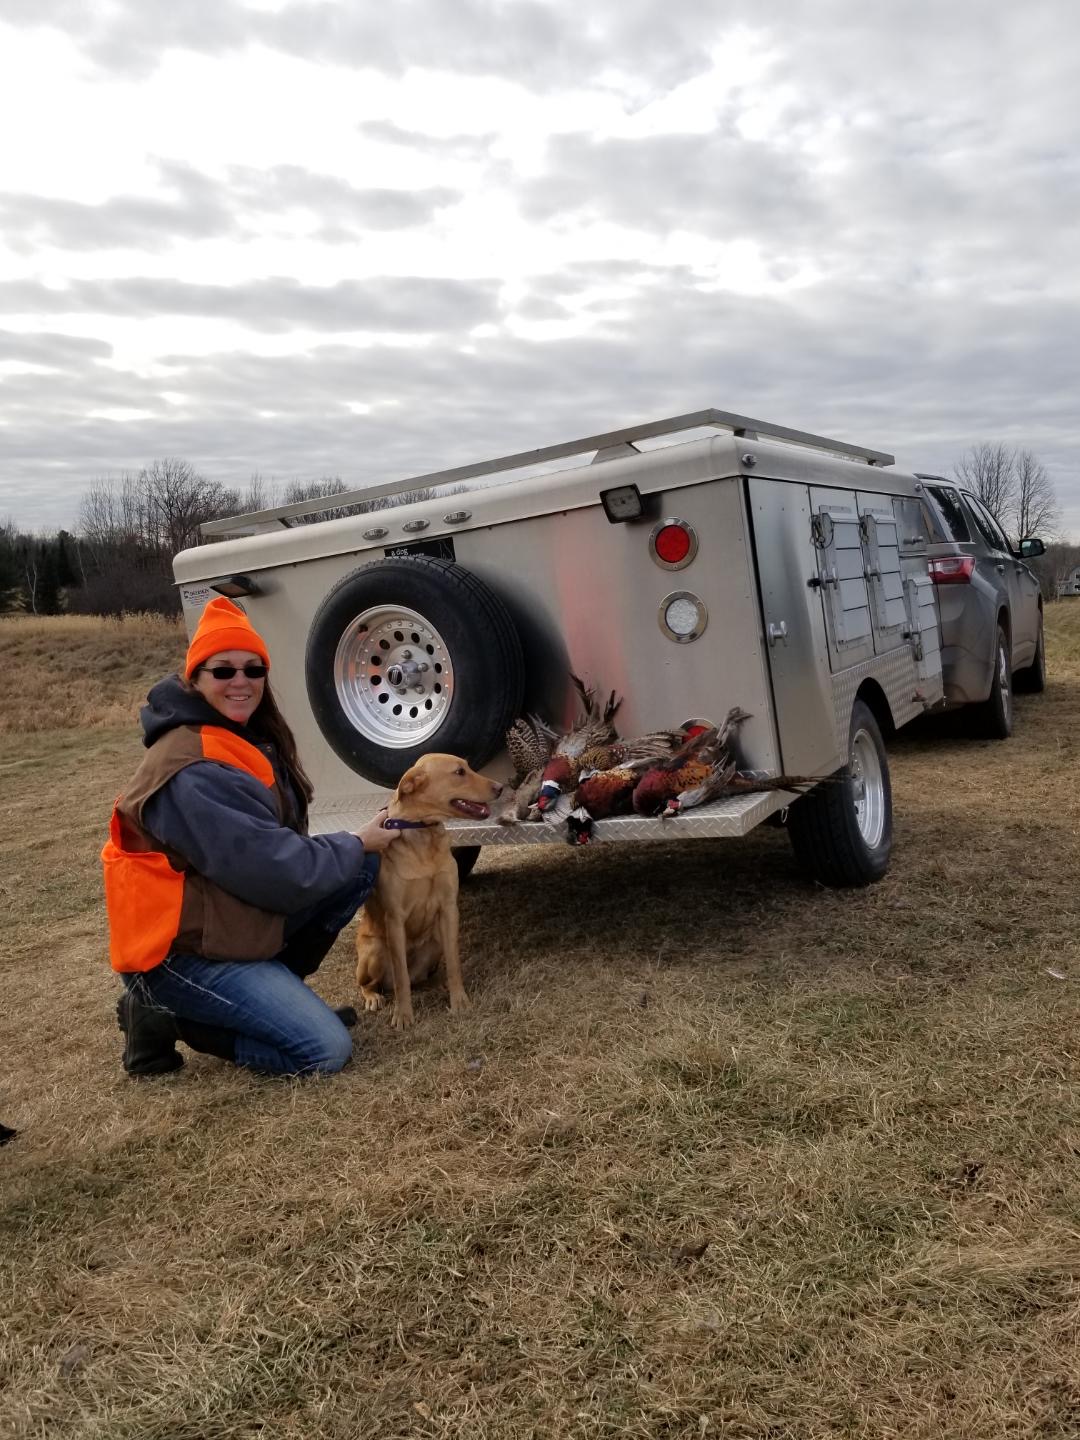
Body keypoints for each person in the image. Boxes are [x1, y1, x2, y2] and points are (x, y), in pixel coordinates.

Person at [102, 596, 400, 1078]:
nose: (241, 681)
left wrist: (356, 847)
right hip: (178, 955)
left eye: (253, 668)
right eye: (223, 671)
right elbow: (274, 871)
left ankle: (275, 1000)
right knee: (325, 1049)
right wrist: (356, 840)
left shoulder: (239, 737)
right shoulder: (191, 769)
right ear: (194, 679)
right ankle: (166, 1015)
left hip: (225, 921)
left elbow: (274, 854)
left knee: (357, 867)